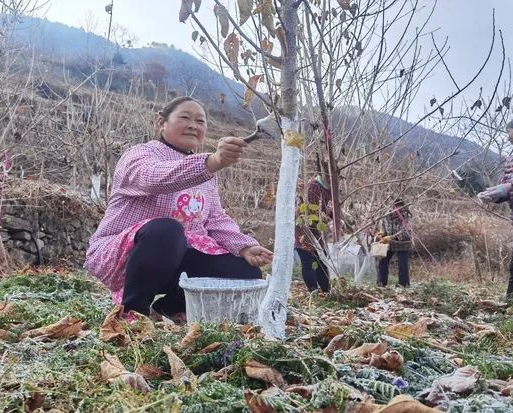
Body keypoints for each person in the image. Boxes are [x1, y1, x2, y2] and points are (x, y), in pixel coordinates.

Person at [84, 96, 273, 318]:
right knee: (167, 230)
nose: (193, 125)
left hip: (179, 256)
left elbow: (215, 219)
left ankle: (169, 309)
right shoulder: (140, 155)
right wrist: (212, 162)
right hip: (124, 255)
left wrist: (244, 247)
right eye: (185, 117)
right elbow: (153, 179)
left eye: (200, 121)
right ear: (161, 122)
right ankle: (133, 312)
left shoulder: (208, 175)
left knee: (245, 272)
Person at [478, 115, 513, 297]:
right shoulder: (512, 159)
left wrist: (510, 186)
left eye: (510, 132)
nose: (508, 137)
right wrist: (494, 196)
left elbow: (512, 185)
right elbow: (506, 186)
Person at [294, 165, 333, 293]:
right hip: (305, 230)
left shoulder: (329, 189)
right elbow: (311, 210)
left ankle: (326, 291)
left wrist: (335, 217)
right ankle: (314, 292)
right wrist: (326, 218)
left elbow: (330, 208)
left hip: (318, 231)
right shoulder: (314, 186)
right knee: (308, 262)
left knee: (322, 261)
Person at [376, 199, 412, 287]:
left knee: (402, 264)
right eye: (396, 206)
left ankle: (403, 285)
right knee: (382, 262)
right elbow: (384, 227)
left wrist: (392, 237)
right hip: (389, 244)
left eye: (400, 206)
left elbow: (406, 230)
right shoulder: (387, 215)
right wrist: (381, 234)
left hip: (403, 243)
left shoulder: (406, 215)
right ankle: (381, 284)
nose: (397, 209)